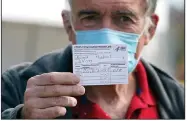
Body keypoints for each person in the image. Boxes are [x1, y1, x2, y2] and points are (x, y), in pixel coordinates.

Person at [1, 0, 184, 119]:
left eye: (124, 18)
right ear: (68, 26)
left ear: (149, 31)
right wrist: (20, 117)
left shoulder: (179, 101)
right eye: (90, 17)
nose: (107, 36)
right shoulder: (16, 86)